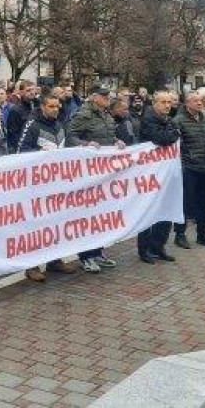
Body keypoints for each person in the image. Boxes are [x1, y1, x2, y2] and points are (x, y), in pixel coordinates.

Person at [66, 86, 124, 273]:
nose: (108, 98)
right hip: (88, 174)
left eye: (108, 95)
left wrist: (115, 140)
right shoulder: (83, 114)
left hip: (104, 174)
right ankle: (86, 256)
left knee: (102, 213)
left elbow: (106, 134)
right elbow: (70, 137)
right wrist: (86, 144)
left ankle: (98, 251)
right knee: (88, 215)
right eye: (104, 95)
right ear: (93, 97)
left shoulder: (105, 114)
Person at [173, 90, 205, 249]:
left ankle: (203, 234)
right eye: (195, 101)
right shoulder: (178, 121)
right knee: (186, 203)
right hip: (190, 167)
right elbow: (176, 147)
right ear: (187, 103)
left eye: (201, 100)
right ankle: (180, 234)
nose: (199, 103)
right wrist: (184, 162)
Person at [136, 91, 180, 264]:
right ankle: (144, 249)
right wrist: (174, 133)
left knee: (166, 209)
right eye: (163, 102)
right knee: (149, 211)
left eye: (169, 102)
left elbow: (172, 134)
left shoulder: (167, 119)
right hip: (150, 172)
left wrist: (173, 132)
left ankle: (158, 246)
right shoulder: (148, 120)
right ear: (154, 103)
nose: (168, 105)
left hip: (166, 172)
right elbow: (163, 138)